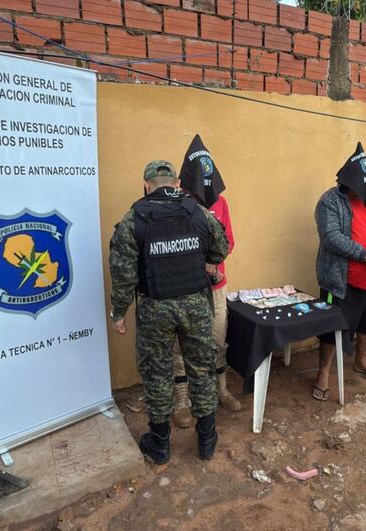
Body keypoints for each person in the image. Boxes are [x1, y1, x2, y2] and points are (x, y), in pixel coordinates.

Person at [109, 160, 229, 464]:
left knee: (157, 373)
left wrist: (118, 313)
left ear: (146, 185)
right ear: (176, 184)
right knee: (202, 368)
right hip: (195, 305)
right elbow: (221, 246)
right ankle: (207, 440)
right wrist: (202, 260)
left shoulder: (134, 217)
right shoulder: (197, 212)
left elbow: (123, 273)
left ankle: (160, 444)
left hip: (155, 307)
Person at [312, 142, 366, 401]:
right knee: (332, 329)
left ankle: (361, 360)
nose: (363, 194)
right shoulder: (330, 201)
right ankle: (323, 374)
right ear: (348, 183)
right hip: (339, 282)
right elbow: (331, 237)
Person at [172, 135, 240, 429]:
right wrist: (202, 266)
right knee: (181, 345)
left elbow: (229, 241)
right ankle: (182, 401)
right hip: (185, 287)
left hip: (216, 288)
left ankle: (220, 389)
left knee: (217, 339)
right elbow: (173, 246)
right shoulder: (176, 203)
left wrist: (213, 264)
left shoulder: (221, 203)